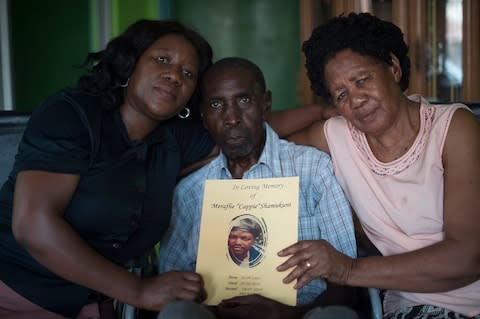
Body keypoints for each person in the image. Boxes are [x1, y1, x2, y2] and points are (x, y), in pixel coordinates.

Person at [0, 19, 219, 319]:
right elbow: (33, 226)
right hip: (14, 296)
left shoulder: (174, 138)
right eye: (162, 59)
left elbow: (250, 130)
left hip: (99, 308)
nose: (174, 75)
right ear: (131, 65)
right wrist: (139, 291)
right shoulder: (71, 114)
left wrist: (310, 104)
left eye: (188, 73)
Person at [274, 12, 480, 319]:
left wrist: (346, 269)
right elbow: (248, 137)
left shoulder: (452, 128)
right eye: (341, 94)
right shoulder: (337, 136)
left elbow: (468, 256)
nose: (356, 100)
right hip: (411, 308)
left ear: (393, 68)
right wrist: (320, 110)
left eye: (362, 80)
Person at [158, 57, 359, 319]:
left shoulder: (313, 169)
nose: (231, 118)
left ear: (265, 104)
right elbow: (169, 286)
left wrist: (289, 312)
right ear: (204, 117)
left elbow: (347, 279)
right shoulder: (190, 193)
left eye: (244, 101)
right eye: (217, 105)